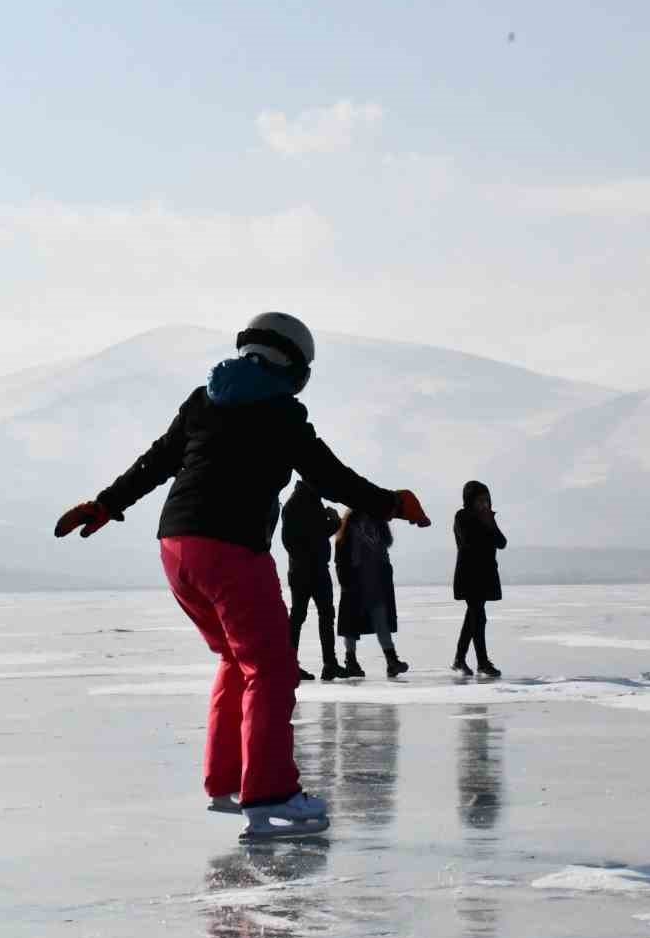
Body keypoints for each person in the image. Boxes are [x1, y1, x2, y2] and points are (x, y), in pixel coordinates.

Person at [52, 312, 431, 840]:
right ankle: (271, 794)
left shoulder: (202, 399)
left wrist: (105, 504)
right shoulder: (282, 414)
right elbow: (330, 476)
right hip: (231, 551)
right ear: (294, 364)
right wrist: (391, 503)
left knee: (236, 658)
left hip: (176, 548)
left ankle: (225, 782)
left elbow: (158, 460)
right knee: (272, 669)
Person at [280, 480, 343, 681]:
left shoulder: (305, 501)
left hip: (305, 569)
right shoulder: (300, 503)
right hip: (309, 570)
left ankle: (325, 664)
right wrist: (335, 520)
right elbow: (315, 533)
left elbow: (302, 537)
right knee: (306, 616)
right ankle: (305, 665)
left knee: (310, 615)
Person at [335, 508, 408, 678]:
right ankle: (351, 660)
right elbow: (341, 557)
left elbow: (383, 549)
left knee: (380, 620)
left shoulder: (377, 524)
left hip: (375, 582)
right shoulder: (349, 527)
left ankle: (391, 660)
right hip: (355, 583)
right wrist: (345, 580)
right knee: (351, 625)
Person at [452, 480, 506, 677]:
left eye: (486, 499)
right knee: (478, 617)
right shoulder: (462, 516)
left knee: (473, 617)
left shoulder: (488, 519)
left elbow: (502, 543)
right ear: (470, 500)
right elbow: (467, 542)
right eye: (480, 500)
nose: (484, 503)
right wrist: (483, 523)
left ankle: (459, 659)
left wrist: (490, 522)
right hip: (469, 575)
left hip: (485, 574)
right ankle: (482, 662)